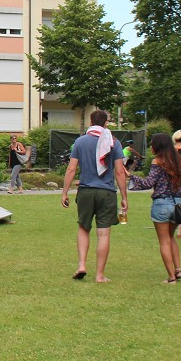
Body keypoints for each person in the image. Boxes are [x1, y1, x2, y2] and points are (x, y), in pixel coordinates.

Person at [59, 110, 127, 283]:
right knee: (103, 234)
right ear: (105, 124)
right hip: (107, 192)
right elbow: (120, 171)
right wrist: (124, 197)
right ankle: (99, 275)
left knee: (83, 228)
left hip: (85, 191)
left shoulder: (80, 142)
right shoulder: (114, 143)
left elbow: (71, 169)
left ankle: (82, 265)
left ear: (91, 121)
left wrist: (64, 192)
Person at [128, 133, 181, 283]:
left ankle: (171, 277)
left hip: (161, 204)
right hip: (178, 204)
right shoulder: (180, 161)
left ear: (158, 146)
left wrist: (131, 176)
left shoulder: (157, 162)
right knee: (171, 237)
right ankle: (178, 269)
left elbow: (148, 183)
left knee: (164, 241)